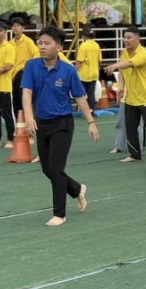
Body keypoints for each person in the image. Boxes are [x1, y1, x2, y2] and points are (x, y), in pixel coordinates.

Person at [21, 26, 99, 227]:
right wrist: (29, 118)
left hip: (63, 124)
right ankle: (76, 189)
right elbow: (27, 93)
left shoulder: (68, 70)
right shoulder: (31, 66)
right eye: (40, 43)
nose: (42, 47)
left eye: (47, 43)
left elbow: (80, 97)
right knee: (47, 169)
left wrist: (91, 122)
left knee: (56, 168)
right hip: (41, 123)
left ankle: (59, 213)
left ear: (59, 47)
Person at [105, 26, 146, 162]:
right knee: (130, 126)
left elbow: (129, 64)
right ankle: (134, 155)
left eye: (129, 38)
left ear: (137, 40)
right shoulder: (124, 53)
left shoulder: (143, 54)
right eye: (124, 37)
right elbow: (123, 72)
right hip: (131, 97)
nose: (126, 40)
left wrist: (115, 65)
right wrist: (121, 86)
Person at [11, 17, 39, 117]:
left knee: (23, 99)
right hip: (12, 74)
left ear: (23, 28)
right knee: (16, 101)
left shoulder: (28, 41)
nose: (15, 28)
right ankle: (20, 126)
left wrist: (28, 67)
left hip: (22, 73)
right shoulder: (10, 43)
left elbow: (36, 53)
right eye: (13, 26)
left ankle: (29, 122)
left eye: (18, 26)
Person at [75, 26, 102, 113]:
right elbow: (99, 61)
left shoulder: (83, 45)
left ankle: (85, 110)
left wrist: (74, 71)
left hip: (84, 74)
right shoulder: (96, 45)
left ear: (83, 36)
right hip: (94, 73)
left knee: (81, 93)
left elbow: (80, 61)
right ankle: (91, 110)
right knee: (91, 93)